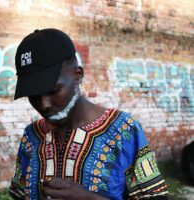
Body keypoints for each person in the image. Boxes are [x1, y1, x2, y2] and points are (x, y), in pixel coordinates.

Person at [9, 28, 168, 200]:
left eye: (53, 90)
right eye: (33, 95)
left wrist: (88, 198)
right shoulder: (32, 135)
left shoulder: (123, 130)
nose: (44, 104)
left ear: (78, 75)